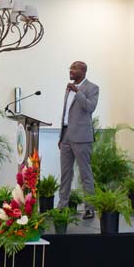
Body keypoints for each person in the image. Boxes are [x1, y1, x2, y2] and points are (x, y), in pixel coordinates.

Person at [58, 61, 99, 219]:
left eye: (74, 68)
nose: (71, 70)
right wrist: (61, 136)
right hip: (66, 135)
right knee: (65, 173)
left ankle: (90, 208)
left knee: (85, 174)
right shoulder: (69, 88)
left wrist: (77, 92)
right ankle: (62, 206)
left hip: (82, 137)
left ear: (83, 71)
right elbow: (66, 114)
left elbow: (90, 107)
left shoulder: (92, 88)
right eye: (70, 68)